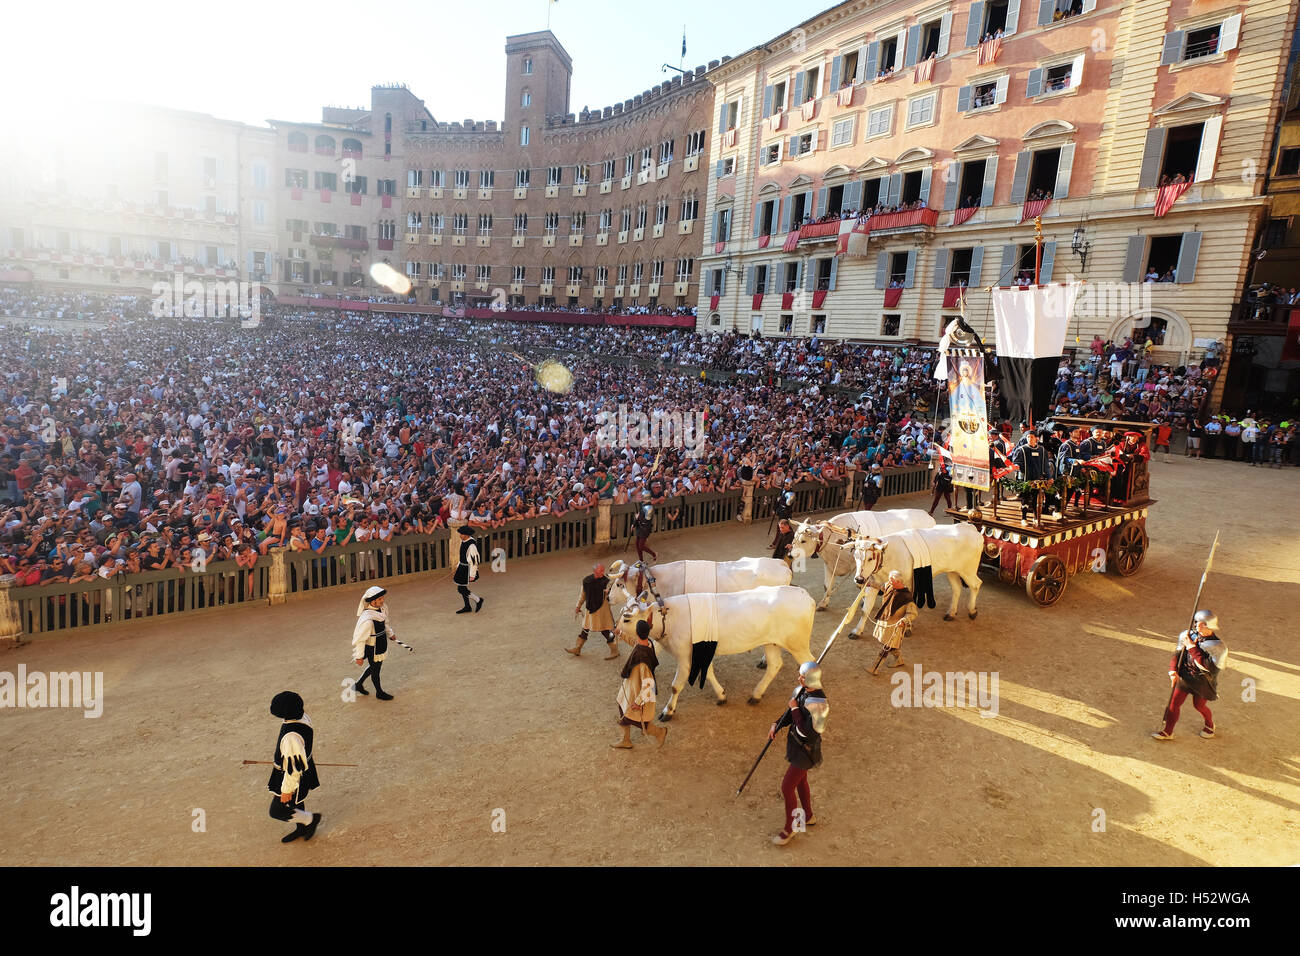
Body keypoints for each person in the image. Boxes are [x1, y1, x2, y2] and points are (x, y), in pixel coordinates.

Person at [769, 662, 829, 846]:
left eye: (802, 677)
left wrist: (795, 708)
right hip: (796, 745)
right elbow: (790, 713)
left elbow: (807, 732)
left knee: (787, 787)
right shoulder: (802, 691)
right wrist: (777, 724)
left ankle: (792, 827)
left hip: (806, 751)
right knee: (801, 782)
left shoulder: (819, 705)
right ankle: (808, 816)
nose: (799, 679)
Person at [1152, 610, 1225, 740]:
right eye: (1196, 622)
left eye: (1200, 623)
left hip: (1202, 682)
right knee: (1174, 704)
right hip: (1185, 676)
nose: (1196, 625)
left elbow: (1208, 667)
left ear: (1208, 625)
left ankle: (1209, 724)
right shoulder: (1187, 636)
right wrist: (1173, 670)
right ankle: (1168, 732)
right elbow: (1178, 654)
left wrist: (1191, 647)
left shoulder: (1218, 647)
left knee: (1199, 706)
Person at [266, 690, 322, 843]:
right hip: (304, 765)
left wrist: (286, 790)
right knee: (296, 801)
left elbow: (294, 770)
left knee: (276, 811)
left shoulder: (291, 737)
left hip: (292, 776)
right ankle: (302, 828)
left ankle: (310, 819)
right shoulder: (303, 717)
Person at [612, 619, 668, 749]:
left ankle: (660, 732)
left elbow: (649, 684)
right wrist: (620, 633)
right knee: (623, 710)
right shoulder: (647, 643)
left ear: (637, 632)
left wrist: (638, 702)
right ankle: (625, 740)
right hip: (631, 687)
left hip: (638, 692)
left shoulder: (643, 659)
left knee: (636, 720)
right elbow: (634, 642)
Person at [864, 570, 919, 670]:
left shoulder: (907, 598)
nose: (889, 582)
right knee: (889, 644)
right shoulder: (890, 585)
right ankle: (899, 660)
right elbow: (882, 586)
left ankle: (874, 668)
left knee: (886, 647)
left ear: (898, 582)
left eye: (891, 581)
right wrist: (870, 583)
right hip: (885, 620)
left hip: (895, 625)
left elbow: (912, 613)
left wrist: (904, 620)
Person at [567, 562, 619, 659]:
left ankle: (614, 650)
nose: (602, 572)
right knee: (585, 628)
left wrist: (609, 592)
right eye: (600, 571)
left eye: (603, 570)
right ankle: (577, 648)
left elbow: (613, 596)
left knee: (605, 630)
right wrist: (578, 606)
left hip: (602, 611)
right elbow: (583, 595)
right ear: (594, 571)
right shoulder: (587, 581)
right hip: (590, 609)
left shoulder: (607, 582)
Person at [352, 585, 396, 700]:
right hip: (373, 647)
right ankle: (379, 692)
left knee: (375, 666)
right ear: (372, 601)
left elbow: (385, 624)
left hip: (381, 643)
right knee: (376, 670)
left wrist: (390, 634)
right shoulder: (367, 619)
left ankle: (358, 685)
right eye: (380, 599)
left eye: (382, 598)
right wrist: (359, 656)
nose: (382, 600)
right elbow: (360, 639)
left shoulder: (382, 609)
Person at [451, 524, 484, 614]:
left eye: (461, 534)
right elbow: (463, 556)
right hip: (462, 567)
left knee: (461, 589)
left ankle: (478, 600)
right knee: (462, 587)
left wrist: (472, 575)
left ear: (466, 535)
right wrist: (458, 566)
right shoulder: (464, 541)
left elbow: (474, 562)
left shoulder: (471, 546)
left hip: (467, 569)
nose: (460, 535)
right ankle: (467, 606)